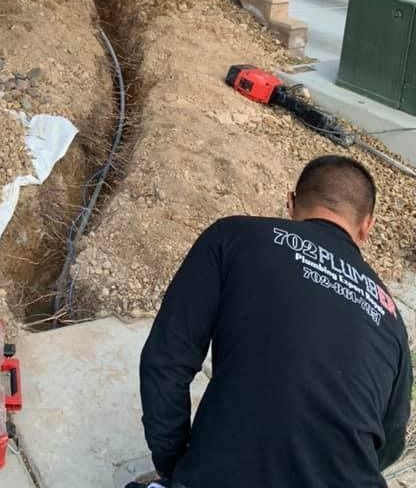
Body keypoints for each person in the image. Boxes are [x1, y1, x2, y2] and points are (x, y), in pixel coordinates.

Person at [130, 155, 412, 488]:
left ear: (291, 203)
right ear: (367, 226)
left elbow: (166, 362)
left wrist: (176, 463)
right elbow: (391, 443)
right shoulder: (390, 315)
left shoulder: (233, 237)